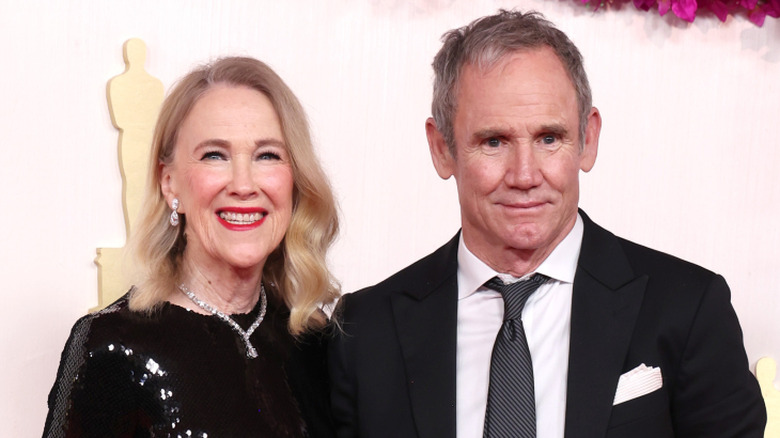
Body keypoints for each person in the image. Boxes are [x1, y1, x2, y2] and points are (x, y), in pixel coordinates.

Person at [328, 10, 766, 438]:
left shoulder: (688, 309)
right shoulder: (365, 331)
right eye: (494, 141)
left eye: (549, 139)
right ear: (442, 149)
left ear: (588, 140)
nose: (524, 175)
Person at [44, 57, 338, 437]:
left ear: (294, 181)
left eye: (267, 155)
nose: (244, 184)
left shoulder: (314, 342)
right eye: (215, 155)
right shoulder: (111, 346)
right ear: (170, 184)